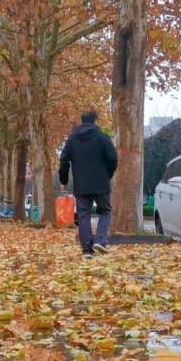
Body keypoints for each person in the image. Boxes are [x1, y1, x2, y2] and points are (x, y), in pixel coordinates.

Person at [58, 110, 118, 258]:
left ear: (81, 120)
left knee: (84, 215)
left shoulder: (72, 139)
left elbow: (63, 159)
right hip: (101, 182)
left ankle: (87, 250)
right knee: (105, 211)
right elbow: (113, 159)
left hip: (81, 184)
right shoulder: (102, 137)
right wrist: (108, 175)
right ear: (95, 121)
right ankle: (100, 241)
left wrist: (63, 180)